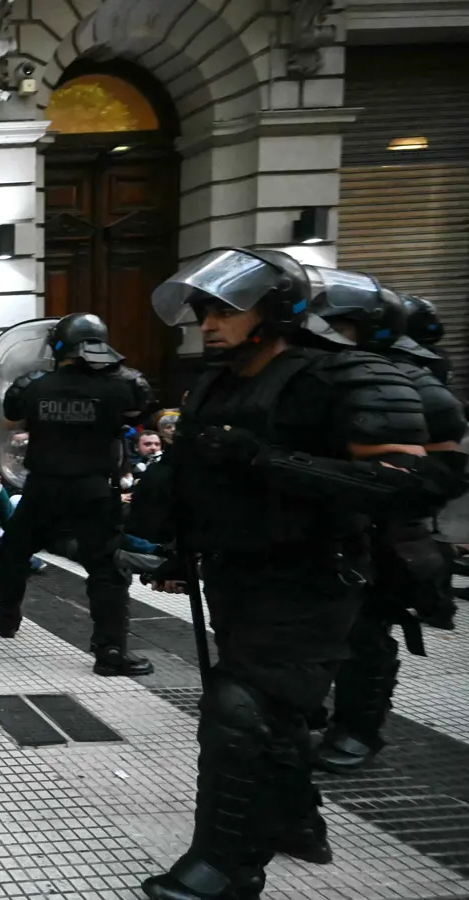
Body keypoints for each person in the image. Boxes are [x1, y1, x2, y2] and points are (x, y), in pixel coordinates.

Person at [139, 249, 454, 900]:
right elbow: (193, 469)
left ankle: (226, 867)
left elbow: (411, 485)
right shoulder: (217, 383)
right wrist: (168, 541)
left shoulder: (348, 377)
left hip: (312, 577)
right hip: (236, 574)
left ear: (279, 308)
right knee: (273, 714)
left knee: (239, 711)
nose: (209, 323)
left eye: (226, 309)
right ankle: (298, 824)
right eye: (203, 312)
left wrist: (269, 462)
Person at [300, 279, 466, 774]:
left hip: (382, 531)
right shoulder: (319, 373)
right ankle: (307, 707)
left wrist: (380, 487)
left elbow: (442, 472)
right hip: (318, 524)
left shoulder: (417, 387)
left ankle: (358, 728)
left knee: (365, 634)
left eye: (341, 326)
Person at [0, 313, 156, 678]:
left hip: (43, 486)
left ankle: (7, 618)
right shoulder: (123, 384)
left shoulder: (34, 386)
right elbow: (141, 404)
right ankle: (110, 650)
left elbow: (11, 410)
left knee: (15, 550)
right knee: (106, 570)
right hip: (94, 488)